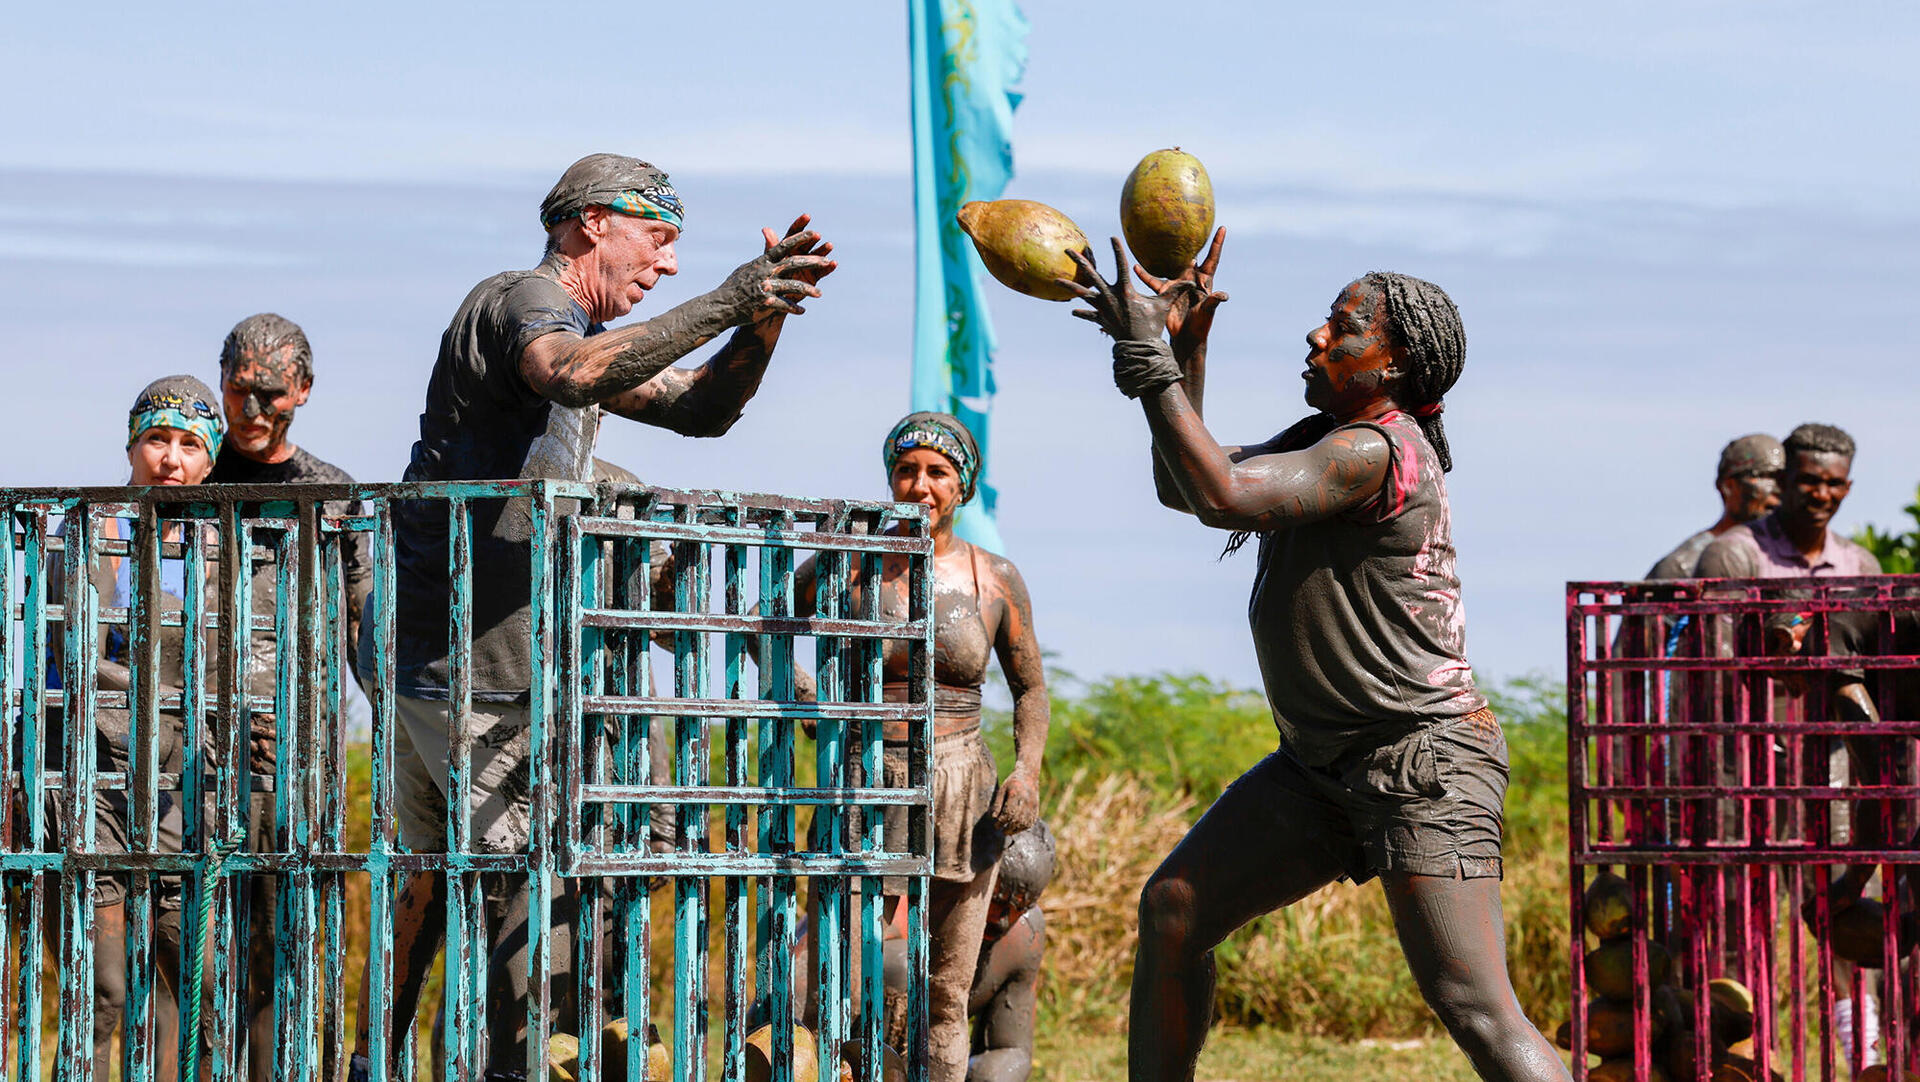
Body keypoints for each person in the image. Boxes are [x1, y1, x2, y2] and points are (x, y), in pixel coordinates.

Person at [349, 152, 836, 1080]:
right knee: (528, 895)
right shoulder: (525, 302)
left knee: (488, 882)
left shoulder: (584, 340)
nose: (668, 265)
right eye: (656, 240)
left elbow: (701, 410)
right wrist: (732, 295)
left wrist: (762, 322)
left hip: (466, 657)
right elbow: (568, 371)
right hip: (465, 661)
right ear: (588, 226)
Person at [1059, 232, 1569, 1081]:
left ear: (1396, 364)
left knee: (1474, 1005)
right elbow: (1183, 485)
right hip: (1321, 768)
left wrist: (1146, 354)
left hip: (1421, 760)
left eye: (1343, 328)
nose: (1317, 338)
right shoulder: (1331, 437)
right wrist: (1185, 351)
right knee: (1176, 911)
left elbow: (1224, 495)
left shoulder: (1371, 451)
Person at [763, 411, 1048, 1082]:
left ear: (963, 487)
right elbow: (768, 622)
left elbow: (1031, 689)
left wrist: (1027, 771)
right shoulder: (848, 564)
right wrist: (801, 691)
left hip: (959, 793)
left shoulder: (994, 578)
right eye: (907, 469)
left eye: (937, 473)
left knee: (945, 999)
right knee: (826, 991)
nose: (920, 485)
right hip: (858, 783)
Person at [208, 311, 372, 657]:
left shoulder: (334, 494)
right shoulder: (189, 480)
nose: (252, 410)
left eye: (270, 394)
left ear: (303, 388)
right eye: (239, 389)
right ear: (222, 376)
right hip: (197, 697)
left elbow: (360, 625)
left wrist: (382, 706)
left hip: (306, 697)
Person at [1646, 434, 1783, 580]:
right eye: (1766, 476)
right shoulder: (1681, 566)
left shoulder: (1793, 557)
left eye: (1784, 478)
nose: (1778, 489)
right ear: (1729, 486)